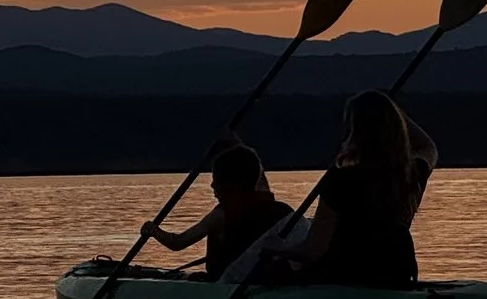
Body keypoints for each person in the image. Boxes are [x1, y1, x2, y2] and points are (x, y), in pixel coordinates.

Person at [279, 90, 433, 288]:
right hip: (395, 275)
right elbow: (428, 147)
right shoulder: (410, 175)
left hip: (347, 279)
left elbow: (314, 250)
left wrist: (280, 249)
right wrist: (397, 116)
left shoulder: (340, 180)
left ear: (355, 132)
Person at [142, 140, 293, 279]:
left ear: (232, 184)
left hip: (224, 282)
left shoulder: (221, 215)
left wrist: (152, 230)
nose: (212, 185)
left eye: (217, 180)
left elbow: (178, 243)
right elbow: (257, 171)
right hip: (260, 279)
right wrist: (233, 140)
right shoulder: (277, 208)